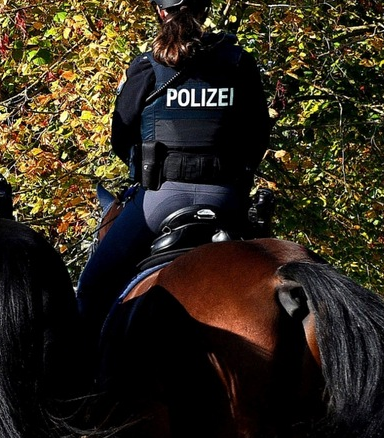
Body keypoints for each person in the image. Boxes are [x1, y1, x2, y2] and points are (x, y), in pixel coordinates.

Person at [76, 0, 271, 340]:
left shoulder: (147, 66)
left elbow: (121, 137)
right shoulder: (239, 62)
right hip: (227, 202)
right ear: (205, 8)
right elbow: (257, 137)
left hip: (159, 202)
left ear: (160, 11)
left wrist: (144, 167)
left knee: (92, 287)